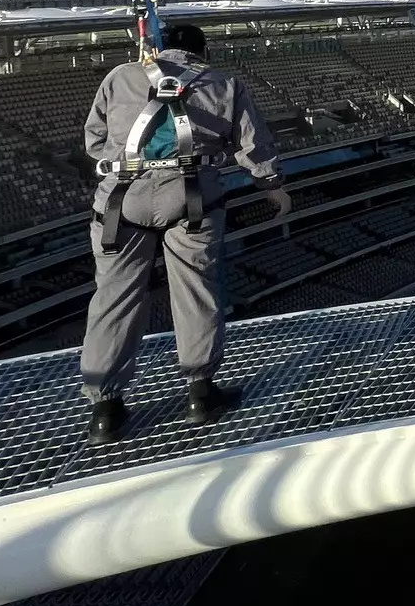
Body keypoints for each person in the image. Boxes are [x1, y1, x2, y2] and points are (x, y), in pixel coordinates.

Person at [80, 22, 290, 445]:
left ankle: (105, 409)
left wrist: (125, 163)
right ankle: (200, 394)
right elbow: (252, 144)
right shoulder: (225, 84)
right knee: (197, 294)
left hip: (122, 199)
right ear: (202, 50)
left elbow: (94, 139)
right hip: (192, 196)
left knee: (113, 299)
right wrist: (273, 187)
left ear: (159, 47)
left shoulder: (119, 76)